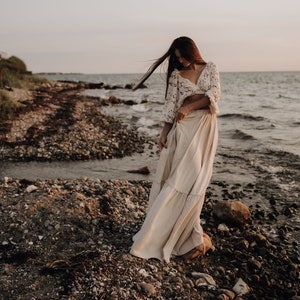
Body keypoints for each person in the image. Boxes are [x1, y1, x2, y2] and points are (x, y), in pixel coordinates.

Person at [130, 36, 220, 263]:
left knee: (196, 181)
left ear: (193, 51)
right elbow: (171, 108)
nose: (180, 61)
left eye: (182, 56)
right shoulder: (176, 77)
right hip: (183, 130)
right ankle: (158, 234)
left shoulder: (210, 68)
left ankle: (188, 232)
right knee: (178, 178)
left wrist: (189, 106)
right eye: (176, 58)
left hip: (205, 128)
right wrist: (163, 134)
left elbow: (213, 96)